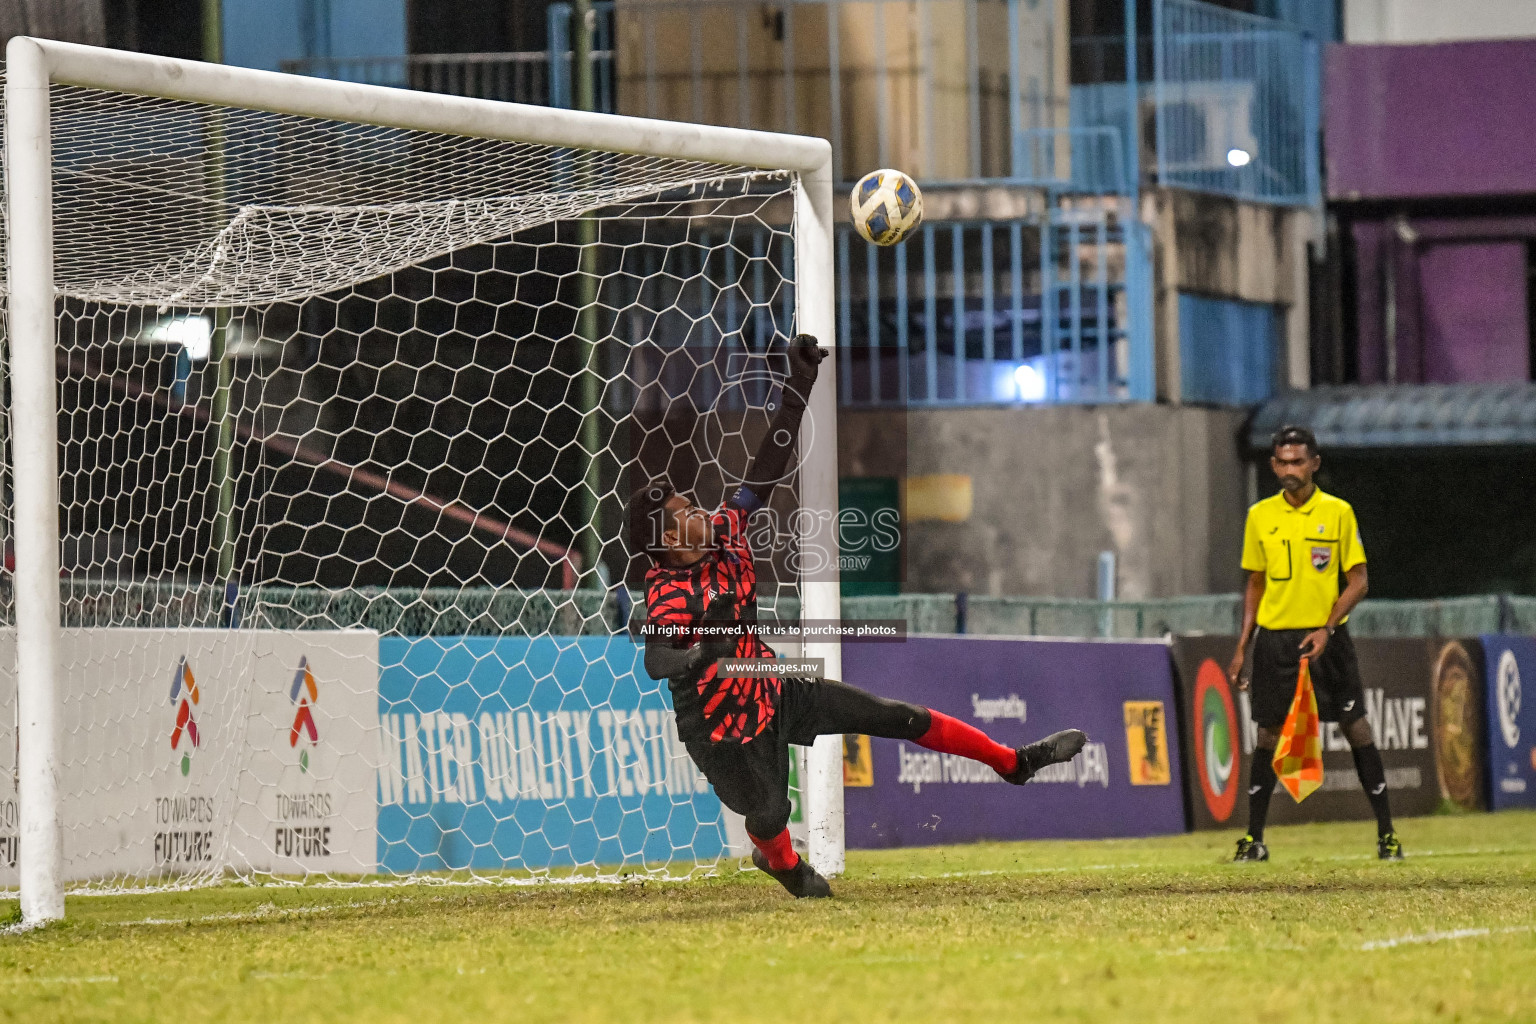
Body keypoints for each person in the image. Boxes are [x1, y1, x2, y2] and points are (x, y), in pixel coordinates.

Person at [630, 333, 1088, 898]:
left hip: (767, 683)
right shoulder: (668, 592)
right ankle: (782, 864)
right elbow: (655, 657)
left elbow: (764, 473)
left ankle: (1012, 761)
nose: (701, 509)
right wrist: (701, 651)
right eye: (685, 511)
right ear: (670, 539)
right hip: (718, 728)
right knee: (770, 811)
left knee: (897, 715)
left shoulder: (725, 532)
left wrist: (797, 388)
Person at [1227, 425, 1402, 862]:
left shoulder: (1339, 512)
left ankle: (1387, 836)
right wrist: (1242, 646)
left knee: (1355, 726)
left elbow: (1358, 582)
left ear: (1315, 463)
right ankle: (1253, 839)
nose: (1290, 469)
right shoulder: (1259, 516)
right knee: (1267, 734)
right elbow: (1255, 583)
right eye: (1282, 462)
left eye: (1298, 461)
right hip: (1275, 642)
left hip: (1327, 638)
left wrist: (1327, 627)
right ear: (1272, 465)